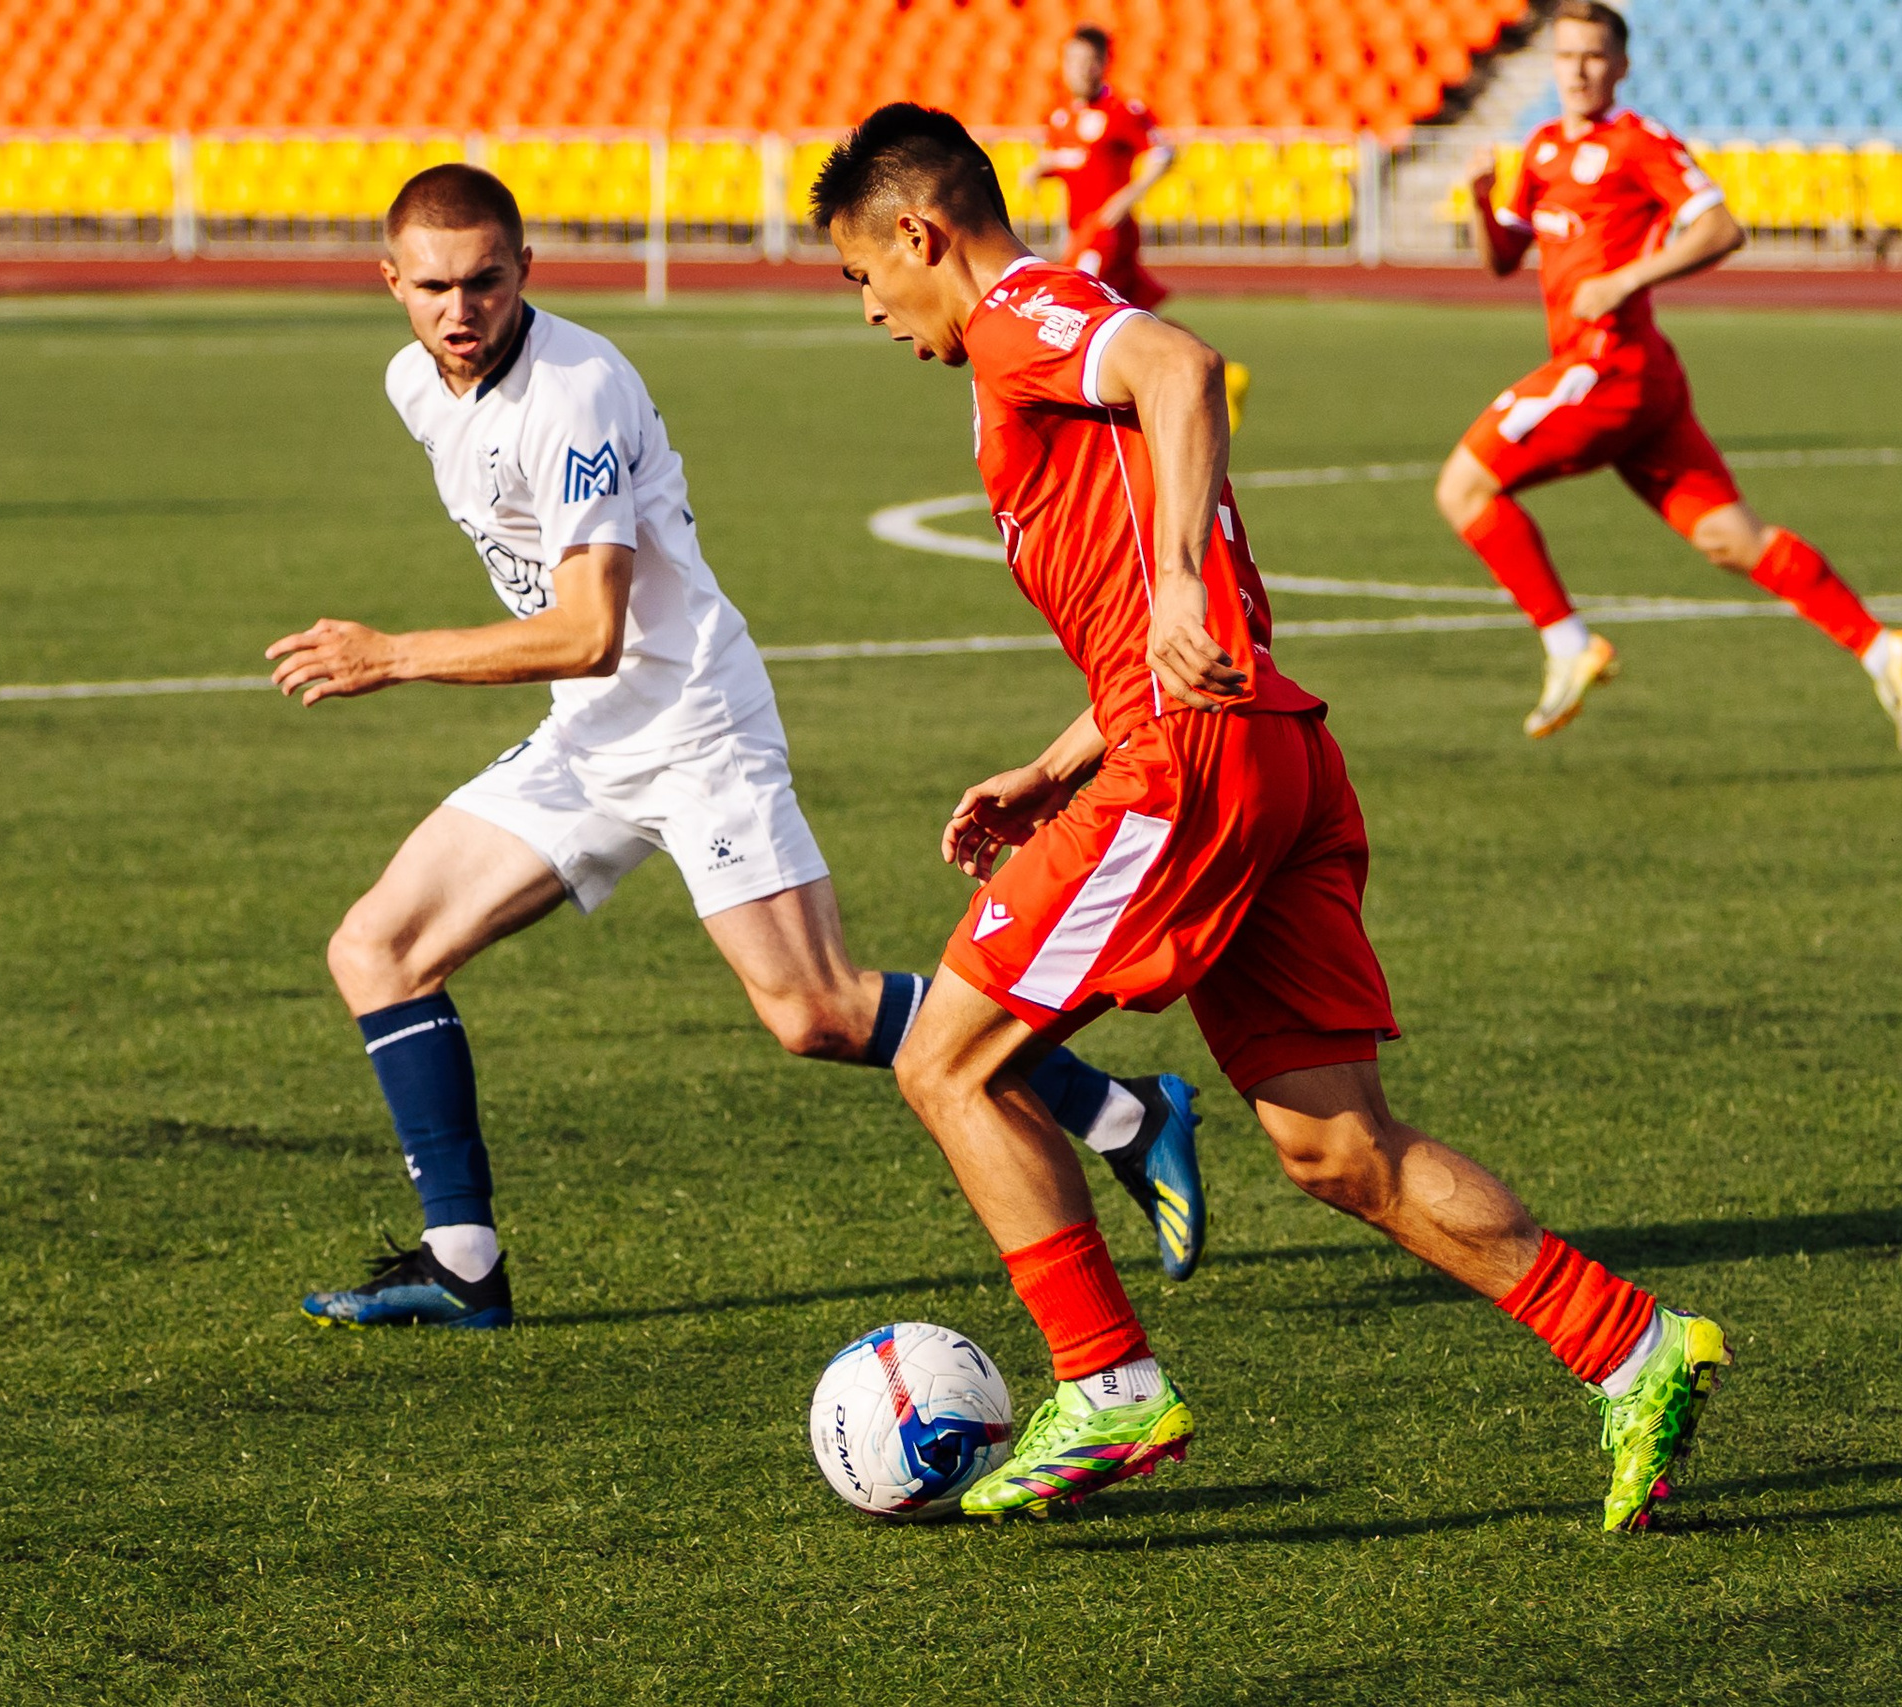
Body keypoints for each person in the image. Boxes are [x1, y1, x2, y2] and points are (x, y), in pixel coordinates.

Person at [814, 103, 1729, 1534]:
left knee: (946, 1059)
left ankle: (1108, 1380)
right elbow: (1169, 576)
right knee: (1336, 1149)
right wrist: (1063, 757)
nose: (866, 308)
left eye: (861, 274)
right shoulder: (1052, 329)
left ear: (920, 234)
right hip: (1264, 746)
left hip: (1188, 767)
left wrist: (1171, 592)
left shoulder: (1020, 317)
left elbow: (1185, 372)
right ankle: (1630, 1340)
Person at [265, 166, 1205, 1331]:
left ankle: (1125, 1113)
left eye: (487, 282)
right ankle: (463, 1264)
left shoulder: (576, 391)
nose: (461, 311)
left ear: (525, 272)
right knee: (378, 949)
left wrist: (394, 654)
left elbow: (590, 629)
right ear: (390, 282)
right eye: (434, 287)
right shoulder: (416, 381)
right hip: (587, 734)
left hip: (691, 725)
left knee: (812, 1011)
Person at [1442, 0, 1902, 752]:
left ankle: (1570, 644)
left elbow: (1721, 227)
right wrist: (1482, 199)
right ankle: (1880, 647)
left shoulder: (1639, 142)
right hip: (1641, 383)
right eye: (1566, 55)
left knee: (1463, 487)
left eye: (1593, 56)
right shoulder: (1540, 148)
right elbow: (1501, 259)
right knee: (1732, 540)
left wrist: (1624, 279)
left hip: (1604, 367)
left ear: (1621, 66)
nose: (1577, 70)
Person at [1031, 23, 1253, 431]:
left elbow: (1163, 155)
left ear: (1103, 65)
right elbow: (1074, 161)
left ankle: (1087, 407)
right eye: (1071, 60)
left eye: (1087, 60)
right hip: (1081, 230)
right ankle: (1220, 371)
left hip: (1108, 235)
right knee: (1136, 314)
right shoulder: (1061, 116)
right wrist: (1042, 169)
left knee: (1080, 305)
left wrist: (1125, 198)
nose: (1078, 69)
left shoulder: (1122, 112)